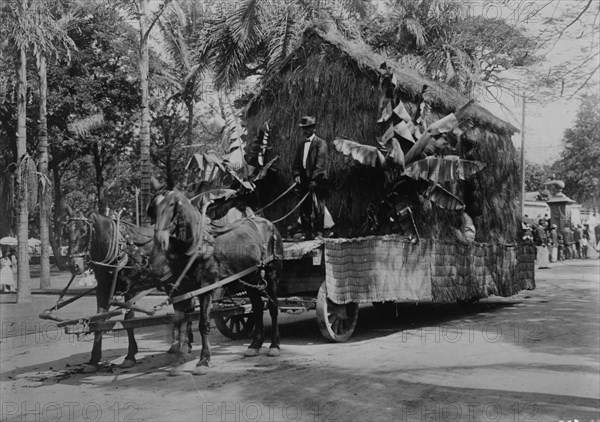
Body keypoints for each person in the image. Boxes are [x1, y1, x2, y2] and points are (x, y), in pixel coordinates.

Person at [293, 116, 329, 240]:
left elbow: (320, 163)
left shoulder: (321, 143)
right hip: (304, 181)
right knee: (304, 207)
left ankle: (319, 233)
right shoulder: (301, 145)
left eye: (307, 128)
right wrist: (297, 174)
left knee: (318, 206)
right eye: (303, 129)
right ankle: (306, 232)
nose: (305, 131)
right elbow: (297, 163)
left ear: (314, 128)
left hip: (318, 181)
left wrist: (314, 179)